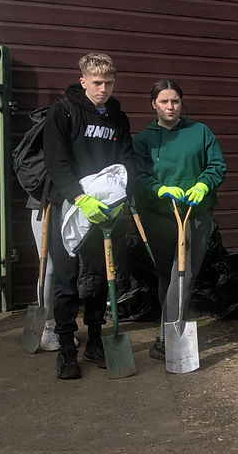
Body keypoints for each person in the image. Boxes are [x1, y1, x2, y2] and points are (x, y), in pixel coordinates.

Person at [43, 52, 135, 380]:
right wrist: (80, 198)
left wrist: (121, 196)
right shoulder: (64, 111)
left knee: (99, 276)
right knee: (66, 279)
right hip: (71, 205)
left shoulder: (118, 117)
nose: (103, 89)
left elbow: (127, 158)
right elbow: (56, 160)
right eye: (97, 82)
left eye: (109, 82)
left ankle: (95, 340)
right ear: (83, 81)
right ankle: (67, 349)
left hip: (106, 209)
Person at [132, 80, 227, 361]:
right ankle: (169, 333)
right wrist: (159, 189)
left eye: (175, 101)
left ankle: (167, 338)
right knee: (167, 275)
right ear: (154, 104)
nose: (170, 107)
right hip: (160, 215)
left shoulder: (200, 132)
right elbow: (138, 175)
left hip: (195, 214)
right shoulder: (143, 140)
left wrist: (203, 184)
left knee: (184, 274)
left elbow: (216, 165)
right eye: (164, 101)